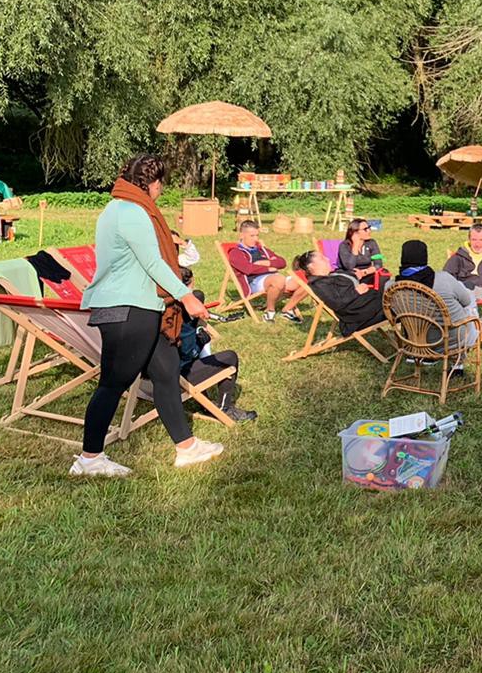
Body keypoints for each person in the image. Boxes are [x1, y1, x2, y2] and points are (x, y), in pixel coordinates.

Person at [72, 153, 221, 477]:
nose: (160, 191)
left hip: (143, 306)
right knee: (112, 384)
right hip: (128, 309)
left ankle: (187, 448)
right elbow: (153, 263)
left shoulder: (117, 208)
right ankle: (89, 459)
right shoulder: (132, 213)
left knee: (166, 371)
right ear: (152, 184)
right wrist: (187, 298)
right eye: (160, 185)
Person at [173, 264, 255, 423]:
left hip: (145, 381)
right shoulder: (183, 320)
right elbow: (187, 353)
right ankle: (225, 408)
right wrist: (200, 341)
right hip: (174, 379)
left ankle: (203, 401)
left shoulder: (155, 310)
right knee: (230, 357)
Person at [292, 249, 387, 337]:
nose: (327, 259)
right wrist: (357, 292)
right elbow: (337, 303)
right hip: (358, 316)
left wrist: (356, 276)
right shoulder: (318, 284)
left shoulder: (328, 276)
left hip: (367, 305)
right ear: (311, 266)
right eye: (322, 258)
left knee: (397, 297)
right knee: (397, 303)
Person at [225, 219, 307, 321]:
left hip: (275, 279)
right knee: (278, 280)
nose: (255, 239)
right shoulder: (236, 252)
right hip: (254, 282)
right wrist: (269, 267)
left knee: (307, 280)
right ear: (241, 235)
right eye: (252, 236)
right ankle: (269, 311)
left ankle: (287, 309)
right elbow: (248, 269)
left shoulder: (261, 249)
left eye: (257, 235)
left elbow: (282, 262)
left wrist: (265, 263)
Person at [337, 219, 384, 285]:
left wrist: (364, 272)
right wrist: (355, 246)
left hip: (367, 273)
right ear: (355, 232)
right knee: (352, 279)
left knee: (383, 277)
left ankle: (376, 295)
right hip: (349, 274)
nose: (369, 231)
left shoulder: (371, 243)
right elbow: (349, 266)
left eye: (369, 228)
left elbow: (378, 264)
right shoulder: (344, 246)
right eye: (365, 229)